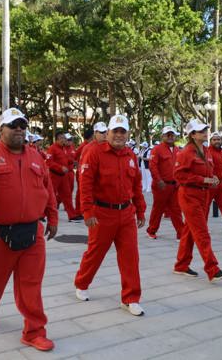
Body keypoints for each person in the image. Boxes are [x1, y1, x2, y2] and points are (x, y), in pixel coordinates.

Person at [0, 108, 58, 352]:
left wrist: (53, 216)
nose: (19, 129)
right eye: (13, 125)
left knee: (31, 284)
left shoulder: (37, 157)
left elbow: (47, 189)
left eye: (22, 125)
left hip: (32, 232)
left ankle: (34, 331)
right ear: (1, 130)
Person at [74, 114, 146, 316]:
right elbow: (85, 184)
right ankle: (82, 282)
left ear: (128, 134)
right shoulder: (94, 152)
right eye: (115, 131)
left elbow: (137, 185)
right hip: (102, 213)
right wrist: (87, 211)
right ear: (108, 133)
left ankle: (131, 298)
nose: (119, 135)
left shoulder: (130, 155)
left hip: (126, 214)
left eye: (123, 132)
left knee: (130, 257)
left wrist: (140, 209)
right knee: (95, 253)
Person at [173, 119, 222, 282]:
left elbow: (208, 171)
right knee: (202, 232)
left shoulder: (206, 150)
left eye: (205, 129)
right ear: (192, 135)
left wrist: (213, 178)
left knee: (190, 231)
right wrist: (203, 180)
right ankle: (212, 269)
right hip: (189, 196)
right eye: (201, 130)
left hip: (203, 195)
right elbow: (179, 175)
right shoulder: (185, 153)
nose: (205, 132)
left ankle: (181, 265)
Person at [146, 126, 183, 240]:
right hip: (161, 185)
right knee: (158, 208)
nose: (171, 137)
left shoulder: (178, 150)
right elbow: (153, 166)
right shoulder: (157, 149)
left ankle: (181, 233)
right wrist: (159, 180)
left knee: (176, 209)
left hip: (175, 185)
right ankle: (152, 230)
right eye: (168, 135)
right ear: (163, 136)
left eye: (172, 135)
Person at [46, 132, 83, 222]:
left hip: (64, 176)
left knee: (67, 196)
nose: (64, 140)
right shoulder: (52, 149)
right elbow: (49, 163)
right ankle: (42, 214)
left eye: (64, 138)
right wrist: (60, 167)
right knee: (50, 195)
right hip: (54, 176)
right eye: (62, 138)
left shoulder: (64, 148)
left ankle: (72, 215)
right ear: (57, 139)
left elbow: (65, 159)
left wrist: (72, 162)